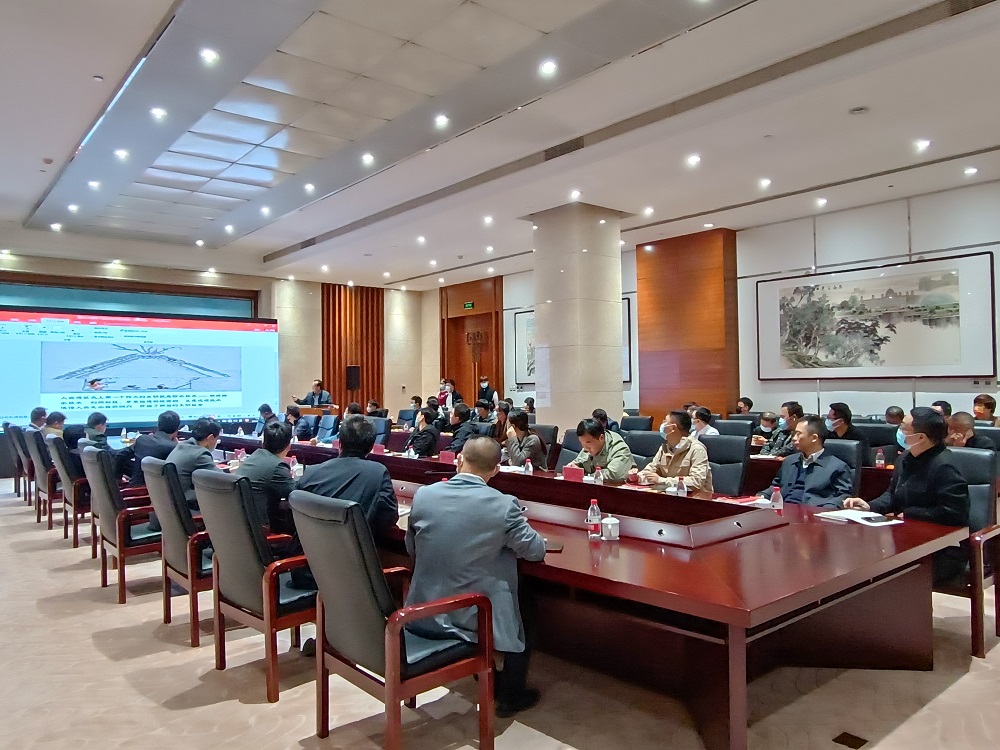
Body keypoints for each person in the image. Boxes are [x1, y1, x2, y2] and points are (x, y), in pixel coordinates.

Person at [404, 436, 545, 717]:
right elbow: (535, 551)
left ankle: (492, 676)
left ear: (459, 460)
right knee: (525, 602)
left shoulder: (424, 495)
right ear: (496, 470)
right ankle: (511, 694)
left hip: (423, 609)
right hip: (471, 615)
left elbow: (412, 548)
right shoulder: (504, 505)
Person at [845, 407, 969, 585]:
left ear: (921, 437)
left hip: (941, 548)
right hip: (906, 539)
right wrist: (869, 506)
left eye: (903, 428)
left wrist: (910, 514)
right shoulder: (905, 458)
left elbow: (954, 513)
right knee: (860, 558)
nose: (899, 432)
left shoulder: (945, 466)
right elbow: (892, 495)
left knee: (886, 574)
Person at [296, 416, 399, 542]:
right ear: (371, 447)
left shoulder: (310, 473)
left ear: (339, 443)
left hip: (309, 549)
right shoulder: (378, 472)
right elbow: (390, 517)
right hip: (352, 551)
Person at [757, 416, 853, 508]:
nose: (794, 438)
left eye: (798, 434)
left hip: (812, 514)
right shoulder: (789, 461)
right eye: (794, 434)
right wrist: (762, 496)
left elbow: (843, 497)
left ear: (814, 438)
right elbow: (776, 487)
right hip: (783, 510)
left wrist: (824, 510)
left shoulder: (838, 467)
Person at [636, 410, 713, 498]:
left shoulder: (697, 449)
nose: (662, 425)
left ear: (673, 428)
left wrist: (662, 480)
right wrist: (638, 476)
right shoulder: (665, 448)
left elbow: (696, 481)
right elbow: (651, 469)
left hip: (695, 500)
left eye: (665, 422)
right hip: (669, 496)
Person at [236, 421, 296, 533]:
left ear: (263, 442)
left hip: (241, 525)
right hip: (259, 531)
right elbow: (296, 494)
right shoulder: (277, 466)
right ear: (288, 446)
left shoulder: (253, 457)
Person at [165, 417, 222, 506]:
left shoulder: (182, 446)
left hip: (170, 504)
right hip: (188, 505)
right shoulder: (201, 454)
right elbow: (221, 480)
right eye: (216, 439)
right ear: (210, 437)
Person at [569, 418, 636, 482]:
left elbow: (614, 475)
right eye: (581, 443)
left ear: (601, 438)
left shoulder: (619, 448)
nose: (585, 447)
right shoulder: (588, 446)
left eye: (588, 443)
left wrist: (585, 476)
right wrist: (573, 468)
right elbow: (577, 463)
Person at [129, 410, 180, 487]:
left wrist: (118, 478)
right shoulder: (174, 447)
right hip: (155, 491)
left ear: (158, 426)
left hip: (135, 486)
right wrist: (177, 445)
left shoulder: (142, 439)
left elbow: (120, 455)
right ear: (177, 429)